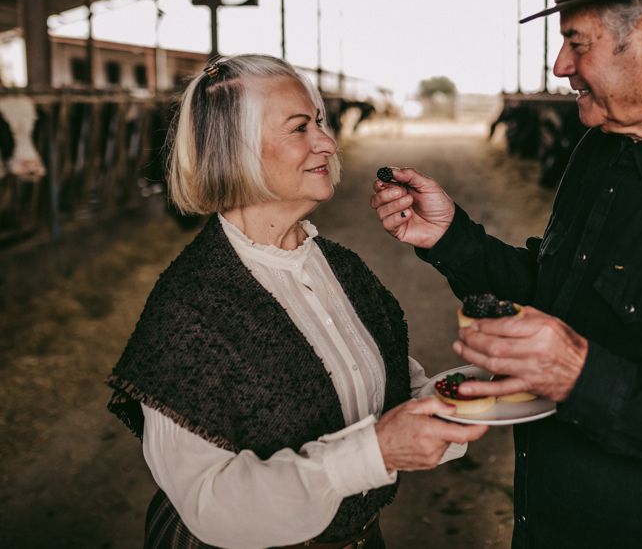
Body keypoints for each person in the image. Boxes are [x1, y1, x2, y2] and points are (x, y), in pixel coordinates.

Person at [370, 0, 642, 549]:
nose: (559, 65)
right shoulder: (601, 147)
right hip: (550, 520)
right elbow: (556, 289)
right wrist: (450, 238)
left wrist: (580, 375)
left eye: (576, 41)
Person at [106, 55, 488, 549]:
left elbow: (387, 392)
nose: (327, 142)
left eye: (322, 122)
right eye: (300, 128)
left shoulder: (341, 268)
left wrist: (478, 391)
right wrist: (373, 453)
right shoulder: (189, 308)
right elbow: (211, 502)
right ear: (235, 149)